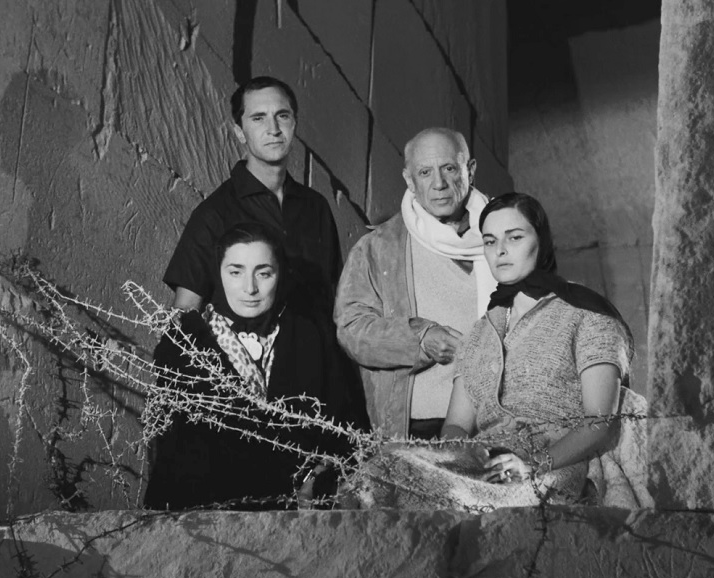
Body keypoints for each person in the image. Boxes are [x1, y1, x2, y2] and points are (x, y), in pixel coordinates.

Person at [441, 192, 634, 504]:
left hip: (552, 465)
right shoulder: (478, 333)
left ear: (541, 241)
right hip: (484, 464)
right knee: (384, 469)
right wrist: (462, 457)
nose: (500, 250)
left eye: (514, 237)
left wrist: (533, 465)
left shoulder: (587, 313)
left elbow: (599, 421)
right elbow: (455, 424)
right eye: (490, 241)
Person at [144, 223, 349, 510]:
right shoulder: (185, 346)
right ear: (218, 273)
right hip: (205, 513)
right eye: (235, 272)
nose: (250, 288)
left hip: (293, 513)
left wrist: (319, 475)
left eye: (263, 273)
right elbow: (175, 452)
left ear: (280, 275)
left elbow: (340, 426)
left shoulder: (309, 337)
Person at [334, 127, 497, 440]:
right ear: (409, 180)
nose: (439, 183)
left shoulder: (505, 236)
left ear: (470, 170)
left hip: (495, 422)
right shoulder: (378, 248)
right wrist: (420, 340)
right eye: (425, 172)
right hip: (414, 428)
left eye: (449, 168)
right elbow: (351, 329)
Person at [163, 76, 340, 320]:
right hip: (242, 346)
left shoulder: (316, 207)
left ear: (294, 124)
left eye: (282, 116)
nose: (273, 129)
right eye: (258, 118)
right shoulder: (214, 212)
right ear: (240, 133)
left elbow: (336, 301)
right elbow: (185, 311)